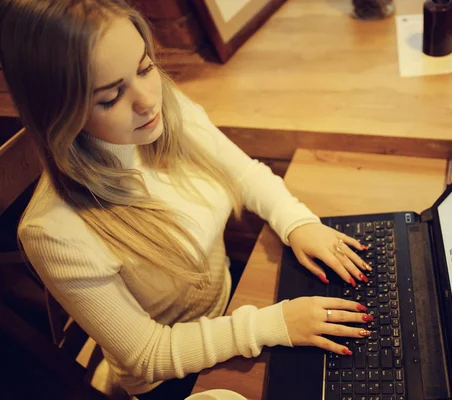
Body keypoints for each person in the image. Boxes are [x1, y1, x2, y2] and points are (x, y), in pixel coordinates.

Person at [0, 0, 375, 398]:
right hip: (175, 372)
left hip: (234, 305)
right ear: (56, 112)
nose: (147, 100)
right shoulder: (54, 231)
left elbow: (244, 173)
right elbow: (146, 355)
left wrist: (297, 221)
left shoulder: (164, 111)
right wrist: (273, 324)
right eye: (110, 97)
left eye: (145, 68)